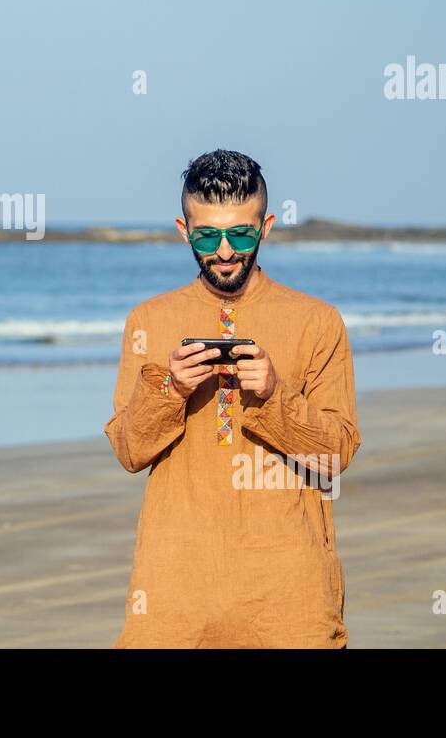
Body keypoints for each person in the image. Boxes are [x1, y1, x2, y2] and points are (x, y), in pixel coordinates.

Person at [104, 149, 360, 648]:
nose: (224, 251)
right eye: (207, 236)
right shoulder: (147, 322)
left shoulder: (317, 321)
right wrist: (170, 389)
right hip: (176, 595)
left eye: (240, 233)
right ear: (184, 230)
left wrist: (273, 394)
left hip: (289, 596)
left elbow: (336, 453)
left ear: (266, 227)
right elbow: (129, 450)